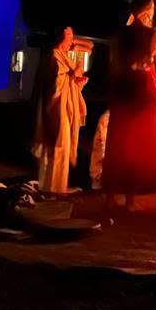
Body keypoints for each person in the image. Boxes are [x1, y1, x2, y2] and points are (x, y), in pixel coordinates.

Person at [103, 0, 156, 211]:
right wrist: (154, 57)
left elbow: (113, 64)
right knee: (137, 143)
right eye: (152, 10)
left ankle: (110, 197)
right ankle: (130, 200)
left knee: (118, 141)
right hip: (141, 88)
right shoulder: (153, 34)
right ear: (147, 11)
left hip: (121, 89)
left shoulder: (122, 33)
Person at [31, 27, 89, 193]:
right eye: (68, 35)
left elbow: (67, 83)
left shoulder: (63, 56)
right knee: (55, 147)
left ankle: (58, 187)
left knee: (61, 149)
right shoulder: (53, 56)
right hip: (55, 110)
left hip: (64, 108)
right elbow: (54, 85)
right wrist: (72, 75)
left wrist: (77, 83)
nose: (71, 38)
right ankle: (50, 188)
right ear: (60, 37)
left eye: (72, 35)